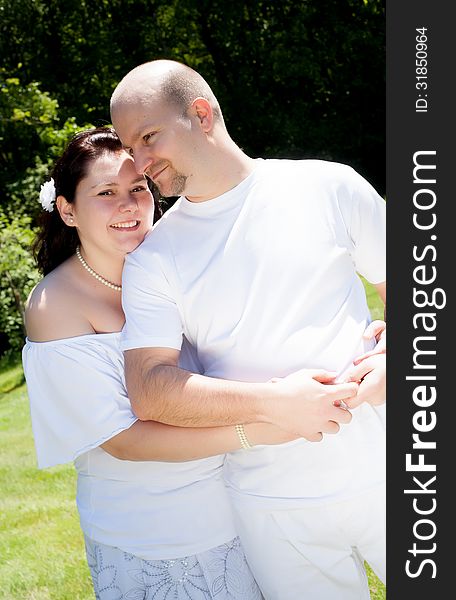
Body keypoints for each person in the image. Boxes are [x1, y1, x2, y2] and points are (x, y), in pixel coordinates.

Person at [110, 60, 387, 600]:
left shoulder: (326, 184)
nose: (139, 164)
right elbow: (149, 388)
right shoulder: (154, 258)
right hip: (274, 510)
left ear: (201, 113)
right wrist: (271, 403)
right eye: (129, 147)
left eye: (149, 137)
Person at [23, 126, 319, 600]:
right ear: (67, 209)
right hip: (158, 534)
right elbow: (123, 443)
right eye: (105, 193)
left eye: (137, 188)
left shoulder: (170, 259)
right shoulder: (54, 306)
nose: (128, 204)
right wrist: (262, 425)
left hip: (247, 502)